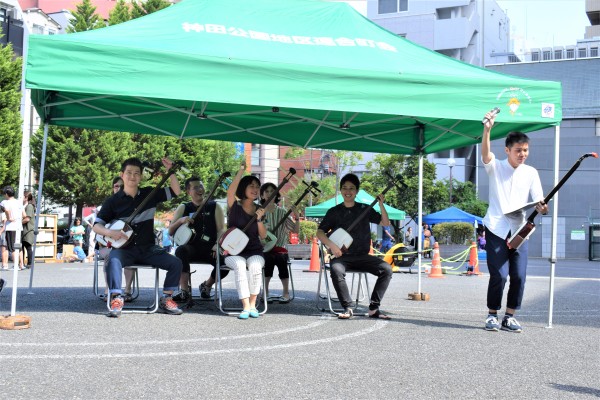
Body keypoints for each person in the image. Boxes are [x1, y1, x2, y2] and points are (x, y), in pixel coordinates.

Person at [481, 109, 548, 333]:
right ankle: (492, 314)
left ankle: (509, 317)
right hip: (496, 228)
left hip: (520, 229)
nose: (523, 154)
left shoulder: (531, 172)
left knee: (519, 275)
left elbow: (540, 200)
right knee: (499, 274)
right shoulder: (496, 167)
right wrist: (487, 130)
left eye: (526, 150)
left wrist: (542, 207)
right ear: (507, 150)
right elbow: (485, 155)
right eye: (518, 150)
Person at [93, 157, 184, 318]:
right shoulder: (113, 201)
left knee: (175, 262)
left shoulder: (150, 193)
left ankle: (167, 298)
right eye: (129, 173)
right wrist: (110, 233)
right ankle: (116, 298)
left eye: (136, 173)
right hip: (125, 249)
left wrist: (171, 172)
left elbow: (176, 191)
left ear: (141, 176)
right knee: (113, 260)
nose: (132, 176)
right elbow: (96, 225)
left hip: (148, 248)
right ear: (122, 174)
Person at [316, 173, 393, 320]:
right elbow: (320, 232)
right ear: (340, 190)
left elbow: (385, 223)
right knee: (336, 269)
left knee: (386, 269)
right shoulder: (334, 211)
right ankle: (348, 307)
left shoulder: (364, 208)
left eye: (351, 188)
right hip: (342, 257)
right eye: (344, 188)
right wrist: (331, 245)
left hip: (363, 256)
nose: (348, 191)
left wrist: (381, 204)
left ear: (356, 191)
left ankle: (374, 308)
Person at [168, 177, 228, 303]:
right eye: (195, 187)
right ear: (188, 191)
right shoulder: (183, 207)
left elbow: (222, 229)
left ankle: (207, 285)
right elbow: (170, 231)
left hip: (210, 248)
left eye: (201, 186)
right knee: (181, 251)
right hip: (192, 247)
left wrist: (217, 245)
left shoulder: (214, 206)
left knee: (225, 263)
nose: (200, 189)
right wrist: (180, 220)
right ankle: (184, 291)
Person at [223, 159, 266, 319]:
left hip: (255, 251)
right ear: (244, 188)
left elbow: (263, 236)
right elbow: (229, 192)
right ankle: (245, 306)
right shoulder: (234, 205)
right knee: (240, 266)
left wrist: (260, 220)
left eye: (257, 186)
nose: (255, 189)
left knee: (255, 266)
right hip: (233, 252)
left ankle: (253, 305)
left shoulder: (260, 209)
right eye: (251, 186)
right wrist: (241, 170)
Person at [260, 182, 300, 303]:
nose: (269, 194)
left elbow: (295, 230)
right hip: (264, 248)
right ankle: (265, 292)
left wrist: (297, 217)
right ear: (262, 195)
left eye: (272, 191)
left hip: (280, 248)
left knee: (281, 259)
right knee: (268, 260)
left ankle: (286, 292)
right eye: (266, 191)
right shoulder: (259, 212)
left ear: (276, 195)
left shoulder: (282, 212)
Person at [1, 186, 26, 271]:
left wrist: (8, 218)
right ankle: (20, 265)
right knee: (19, 247)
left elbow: (7, 210)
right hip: (19, 227)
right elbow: (24, 215)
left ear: (7, 194)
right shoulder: (19, 202)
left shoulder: (5, 202)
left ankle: (16, 266)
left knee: (12, 248)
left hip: (11, 227)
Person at [20, 191, 35, 269]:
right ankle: (21, 263)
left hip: (28, 229)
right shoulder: (24, 205)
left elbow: (27, 219)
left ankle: (30, 264)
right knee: (21, 247)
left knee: (28, 246)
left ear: (26, 198)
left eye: (22, 196)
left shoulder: (29, 206)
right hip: (24, 229)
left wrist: (18, 223)